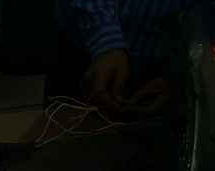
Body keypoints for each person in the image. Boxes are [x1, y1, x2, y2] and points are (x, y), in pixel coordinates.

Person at [46, 0, 206, 116]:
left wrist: (181, 77)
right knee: (58, 132)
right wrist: (105, 43)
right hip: (81, 46)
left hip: (164, 73)